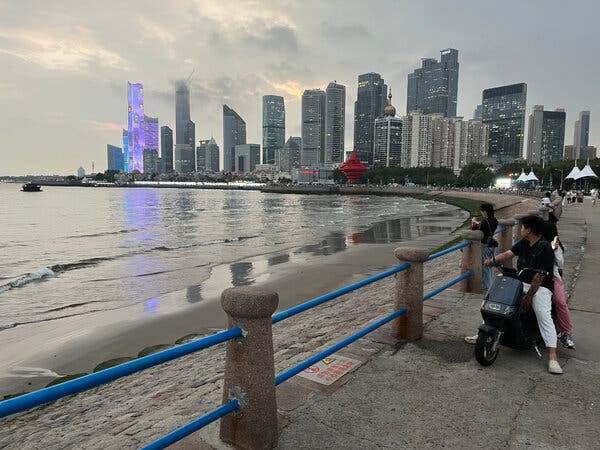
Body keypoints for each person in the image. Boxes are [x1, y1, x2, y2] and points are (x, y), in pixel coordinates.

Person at [482, 215, 562, 374]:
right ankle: (487, 330)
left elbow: (539, 277)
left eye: (522, 227)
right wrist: (491, 261)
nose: (520, 229)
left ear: (529, 230)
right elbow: (508, 254)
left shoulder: (545, 247)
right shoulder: (525, 242)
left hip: (540, 286)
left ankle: (553, 356)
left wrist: (529, 297)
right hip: (521, 280)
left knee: (542, 312)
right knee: (495, 294)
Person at [543, 221, 575, 349]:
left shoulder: (556, 245)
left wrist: (554, 249)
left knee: (560, 302)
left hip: (551, 277)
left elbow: (560, 263)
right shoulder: (534, 242)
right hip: (532, 275)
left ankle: (566, 332)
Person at [471, 203, 498, 291]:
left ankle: (486, 285)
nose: (482, 213)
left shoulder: (485, 221)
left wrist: (474, 223)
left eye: (482, 211)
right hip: (491, 245)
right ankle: (490, 283)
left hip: (485, 245)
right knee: (489, 264)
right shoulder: (494, 220)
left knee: (485, 265)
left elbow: (477, 229)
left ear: (485, 212)